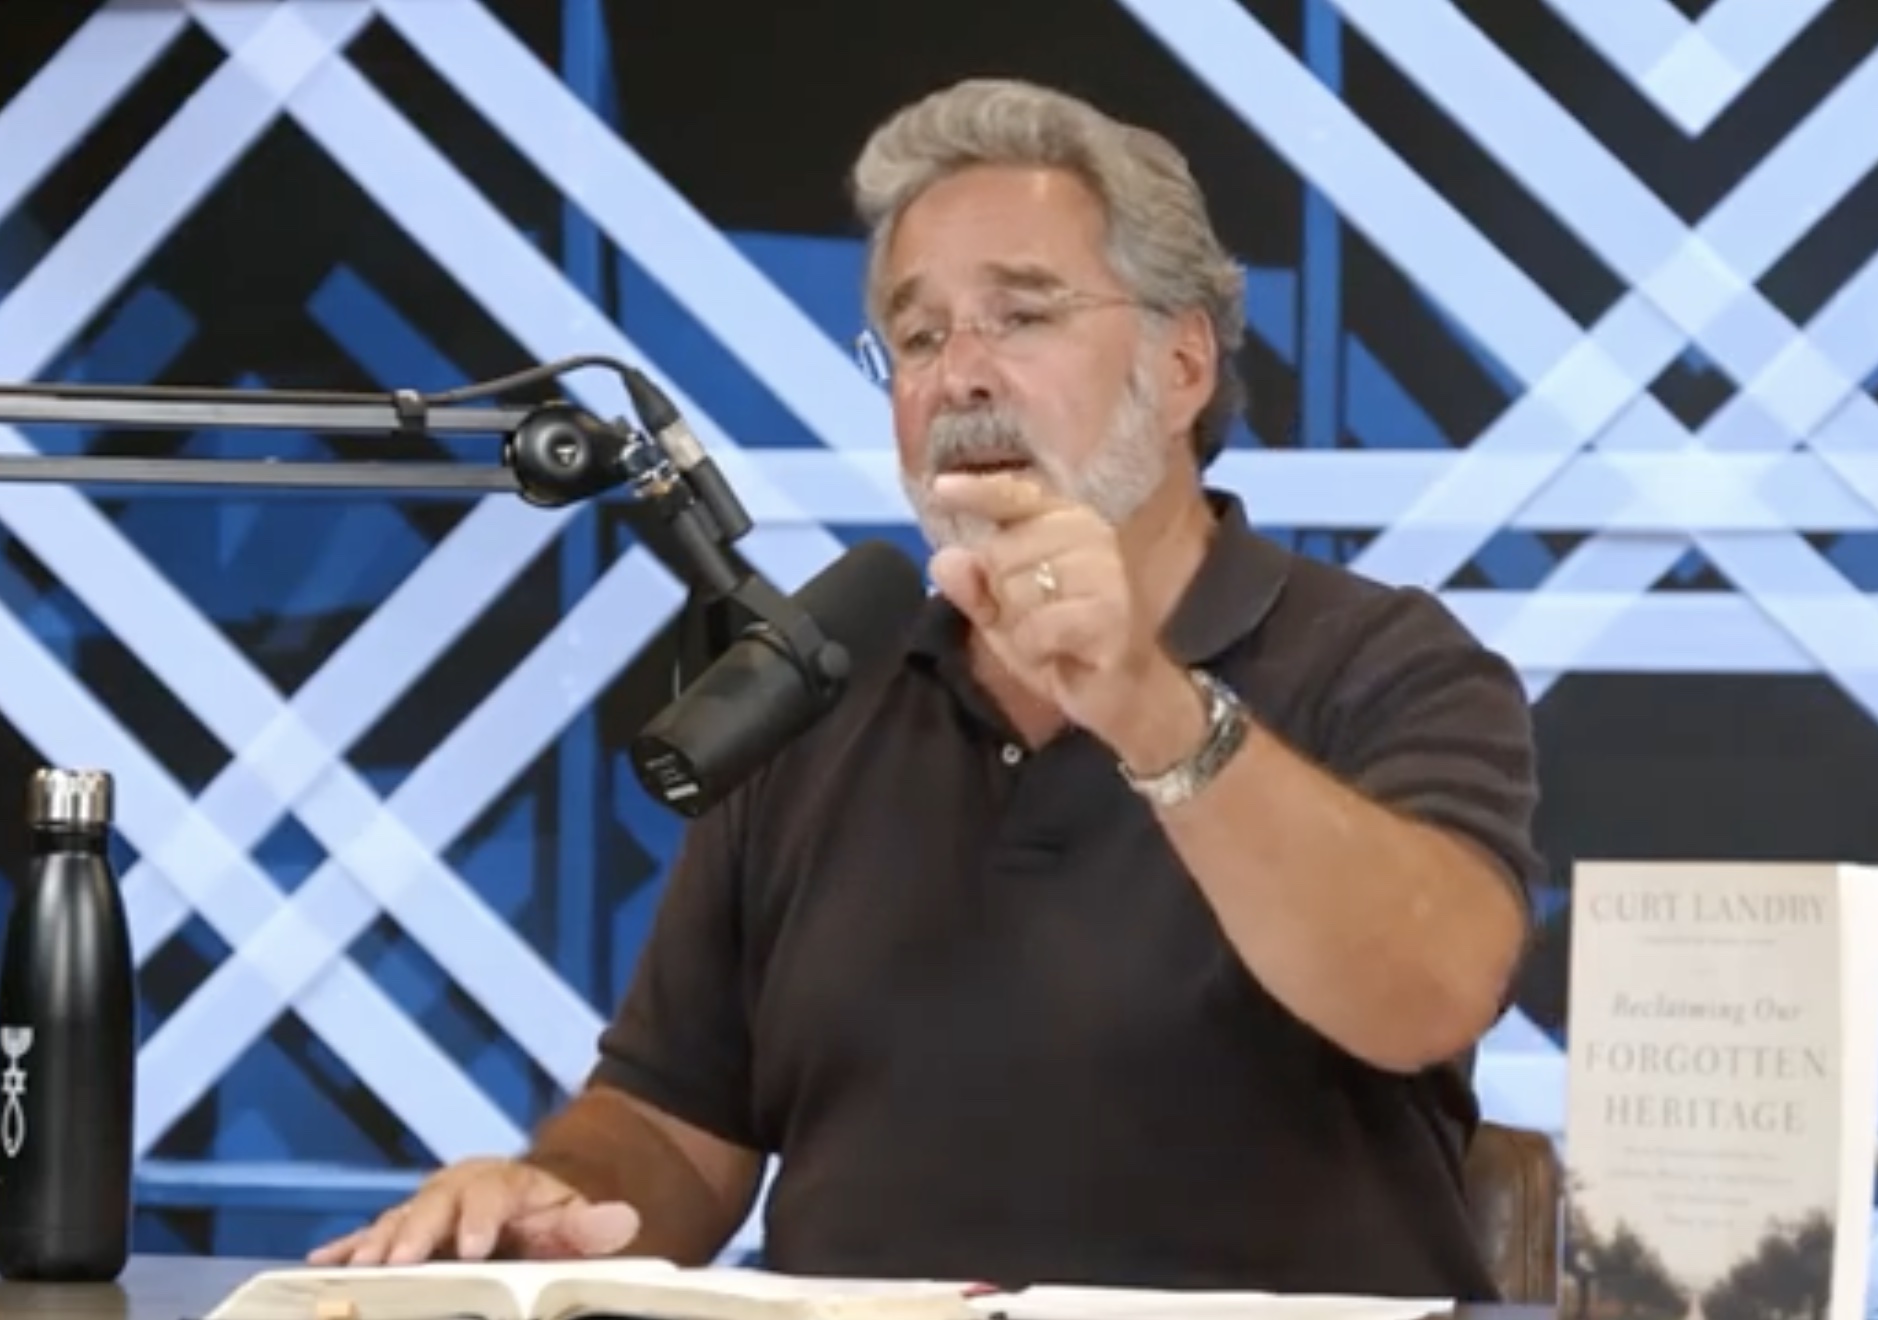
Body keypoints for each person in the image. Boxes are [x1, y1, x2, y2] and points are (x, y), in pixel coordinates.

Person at [308, 76, 1540, 1301]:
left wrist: (1151, 709)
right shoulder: (819, 685)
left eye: (1021, 316)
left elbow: (1425, 994)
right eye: (917, 337)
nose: (959, 377)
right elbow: (674, 1121)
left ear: (1179, 365)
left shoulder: (1380, 660)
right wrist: (552, 1200)